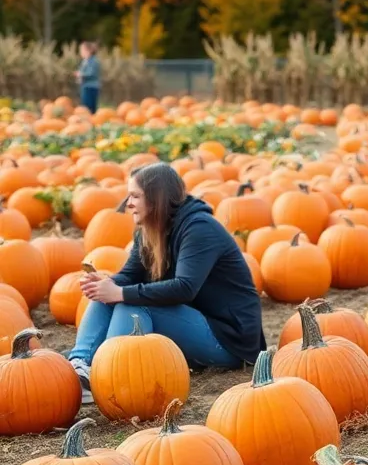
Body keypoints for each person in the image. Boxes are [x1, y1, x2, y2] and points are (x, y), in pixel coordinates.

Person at [69, 162, 266, 404]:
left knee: (131, 305)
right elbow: (129, 276)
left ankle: (108, 376)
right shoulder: (149, 229)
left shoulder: (200, 229)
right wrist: (105, 284)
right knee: (108, 293)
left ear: (156, 199)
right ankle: (79, 367)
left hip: (227, 339)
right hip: (192, 321)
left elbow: (184, 288)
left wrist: (119, 292)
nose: (128, 203)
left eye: (135, 196)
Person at [76, 41, 101, 113]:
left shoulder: (93, 61)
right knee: (85, 104)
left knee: (89, 106)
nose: (81, 52)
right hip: (85, 86)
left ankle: (91, 118)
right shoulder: (85, 61)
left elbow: (91, 73)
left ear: (88, 51)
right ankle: (88, 117)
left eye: (82, 50)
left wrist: (80, 74)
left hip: (91, 86)